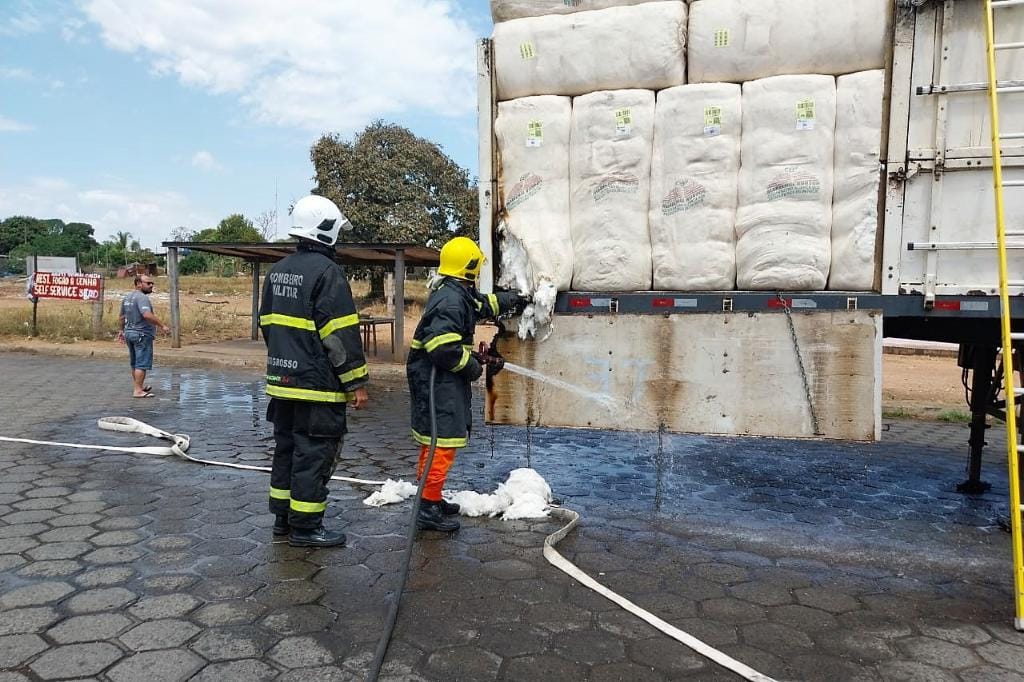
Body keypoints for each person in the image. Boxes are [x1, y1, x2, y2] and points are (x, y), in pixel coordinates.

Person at [259, 194, 369, 548]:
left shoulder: (277, 271)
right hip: (317, 389)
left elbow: (267, 326)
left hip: (282, 384)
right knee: (313, 455)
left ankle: (283, 520)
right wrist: (357, 382)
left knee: (286, 451)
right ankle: (306, 527)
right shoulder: (328, 273)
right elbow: (339, 336)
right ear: (327, 230)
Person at [407, 236, 527, 532]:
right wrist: (473, 365)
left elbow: (482, 305)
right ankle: (427, 510)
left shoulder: (455, 292)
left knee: (433, 443)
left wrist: (514, 299)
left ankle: (429, 498)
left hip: (438, 380)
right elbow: (442, 348)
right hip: (439, 384)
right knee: (442, 444)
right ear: (470, 268)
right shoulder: (451, 299)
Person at [118, 274, 169, 398]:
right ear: (138, 284)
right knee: (142, 363)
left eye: (152, 283)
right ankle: (138, 391)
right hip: (141, 334)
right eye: (148, 283)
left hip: (130, 333)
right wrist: (162, 325)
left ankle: (138, 386)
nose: (151, 285)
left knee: (135, 363)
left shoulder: (127, 297)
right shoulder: (142, 298)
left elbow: (121, 317)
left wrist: (121, 331)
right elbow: (146, 314)